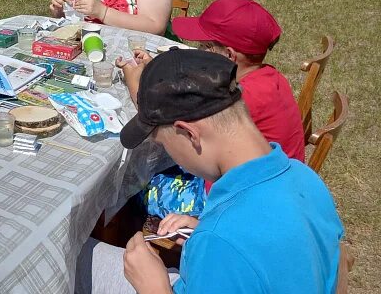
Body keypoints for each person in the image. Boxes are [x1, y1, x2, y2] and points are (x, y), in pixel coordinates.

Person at [75, 49, 344, 294]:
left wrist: (153, 287)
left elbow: (233, 247)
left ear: (189, 133)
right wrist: (204, 229)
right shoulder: (304, 177)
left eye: (163, 142)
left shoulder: (220, 242)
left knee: (72, 260)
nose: (168, 153)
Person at [171, 0, 305, 162]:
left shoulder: (239, 99)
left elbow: (185, 137)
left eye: (205, 46)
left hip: (244, 184)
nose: (198, 52)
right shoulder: (270, 76)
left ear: (228, 55)